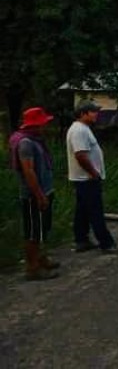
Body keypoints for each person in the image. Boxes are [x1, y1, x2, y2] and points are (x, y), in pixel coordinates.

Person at [66, 100, 118, 254]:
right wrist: (93, 172)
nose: (96, 114)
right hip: (86, 178)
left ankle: (81, 240)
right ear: (83, 113)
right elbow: (80, 155)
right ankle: (107, 243)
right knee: (95, 211)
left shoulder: (82, 129)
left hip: (83, 178)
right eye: (93, 111)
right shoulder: (79, 131)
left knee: (83, 211)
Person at [10, 107, 59, 280]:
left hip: (44, 189)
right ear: (35, 124)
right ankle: (32, 268)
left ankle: (40, 258)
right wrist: (39, 195)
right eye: (43, 123)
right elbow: (28, 171)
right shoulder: (26, 143)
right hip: (33, 195)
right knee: (32, 231)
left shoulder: (35, 139)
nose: (45, 126)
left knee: (41, 229)